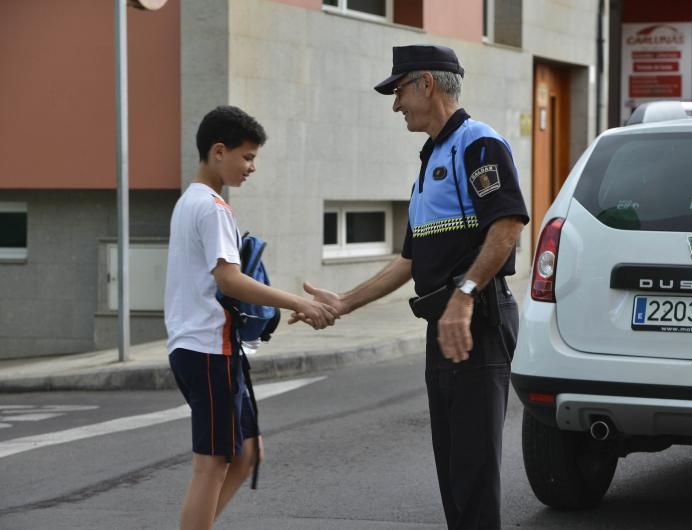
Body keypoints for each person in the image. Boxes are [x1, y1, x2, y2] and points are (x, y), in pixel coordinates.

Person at [292, 45, 529, 529]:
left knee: (474, 467)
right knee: (452, 464)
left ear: (426, 83)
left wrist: (463, 295)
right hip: (446, 325)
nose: (395, 103)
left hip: (476, 322)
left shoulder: (478, 145)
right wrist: (345, 302)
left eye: (398, 90)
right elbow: (410, 258)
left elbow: (507, 225)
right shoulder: (431, 160)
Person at [164, 105, 338, 530]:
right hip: (209, 350)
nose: (252, 167)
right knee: (213, 465)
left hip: (204, 349)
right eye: (247, 157)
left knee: (246, 455)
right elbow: (230, 280)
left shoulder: (190, 202)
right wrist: (299, 302)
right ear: (218, 151)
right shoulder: (213, 209)